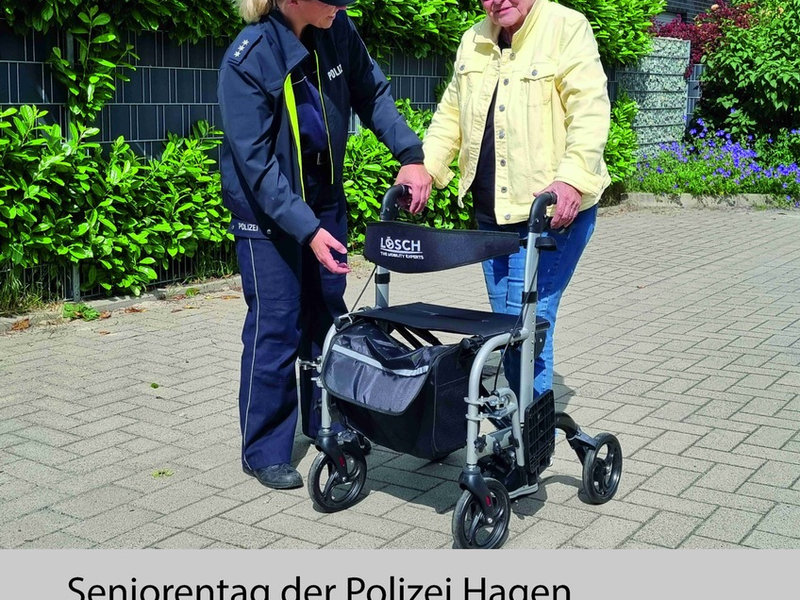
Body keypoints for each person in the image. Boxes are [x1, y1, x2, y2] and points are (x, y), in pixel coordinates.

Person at [218, 0, 432, 490]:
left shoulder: (337, 28)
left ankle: (327, 423)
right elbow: (257, 167)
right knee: (277, 325)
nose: (341, 6)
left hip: (323, 195)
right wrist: (308, 231)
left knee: (327, 317)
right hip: (267, 211)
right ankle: (263, 449)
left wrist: (410, 154)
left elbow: (371, 92)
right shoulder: (247, 59)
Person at [422, 0, 610, 401]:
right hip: (491, 215)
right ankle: (523, 422)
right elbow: (450, 115)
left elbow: (589, 110)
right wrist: (424, 169)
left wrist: (572, 179)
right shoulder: (473, 38)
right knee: (508, 326)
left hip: (549, 214)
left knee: (526, 323)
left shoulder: (565, 27)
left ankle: (531, 430)